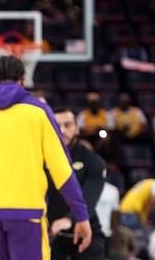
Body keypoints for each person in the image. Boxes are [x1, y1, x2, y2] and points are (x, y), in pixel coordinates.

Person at [0, 56, 92, 259]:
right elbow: (62, 169)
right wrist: (81, 215)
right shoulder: (39, 112)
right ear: (23, 80)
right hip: (27, 213)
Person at [47, 107, 106, 259]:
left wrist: (69, 219)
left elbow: (89, 198)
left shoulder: (93, 161)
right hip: (50, 234)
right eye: (57, 125)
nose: (62, 130)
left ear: (77, 129)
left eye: (67, 125)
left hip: (86, 230)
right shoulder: (40, 159)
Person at [95, 182, 120, 257]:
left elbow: (114, 215)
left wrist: (116, 233)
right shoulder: (113, 190)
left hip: (103, 232)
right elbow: (115, 215)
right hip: (89, 232)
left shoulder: (113, 190)